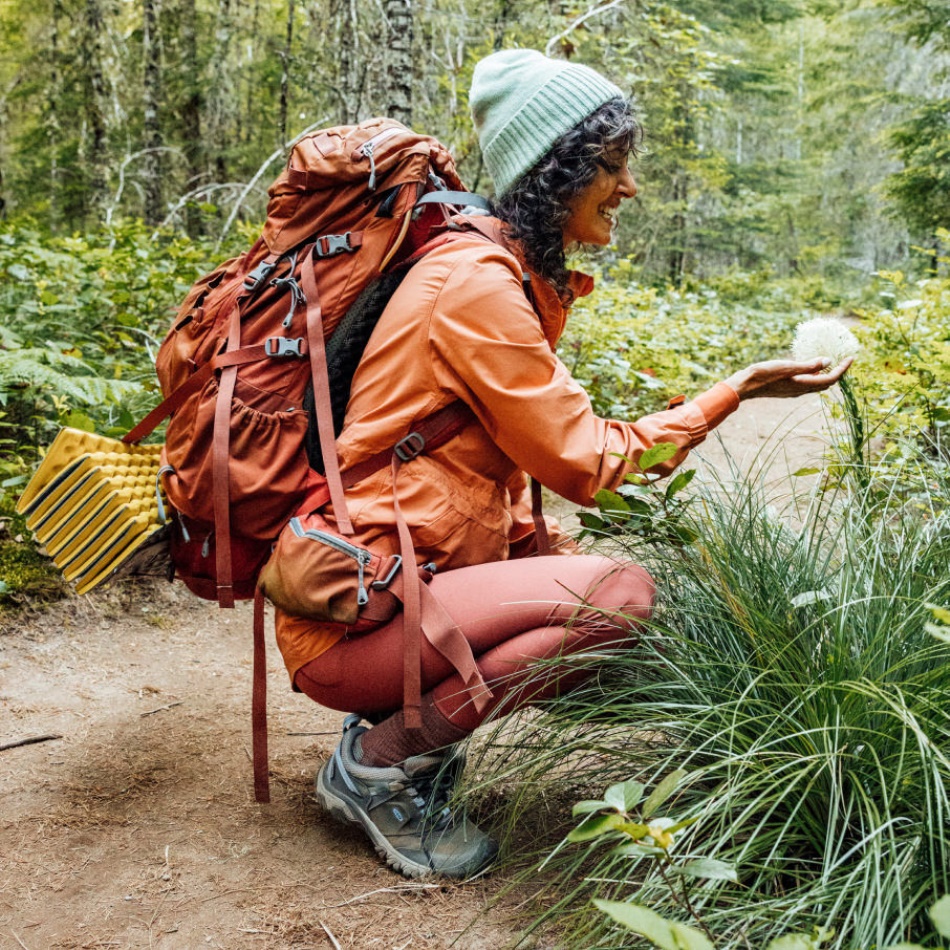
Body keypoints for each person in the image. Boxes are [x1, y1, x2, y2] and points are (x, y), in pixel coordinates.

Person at [273, 49, 851, 880]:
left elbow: (499, 481)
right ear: (557, 170)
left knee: (608, 606)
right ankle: (377, 765)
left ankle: (398, 737)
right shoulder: (474, 284)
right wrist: (734, 392)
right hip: (352, 620)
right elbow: (590, 463)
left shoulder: (497, 273)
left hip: (395, 594)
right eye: (611, 165)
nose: (629, 187)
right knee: (619, 596)